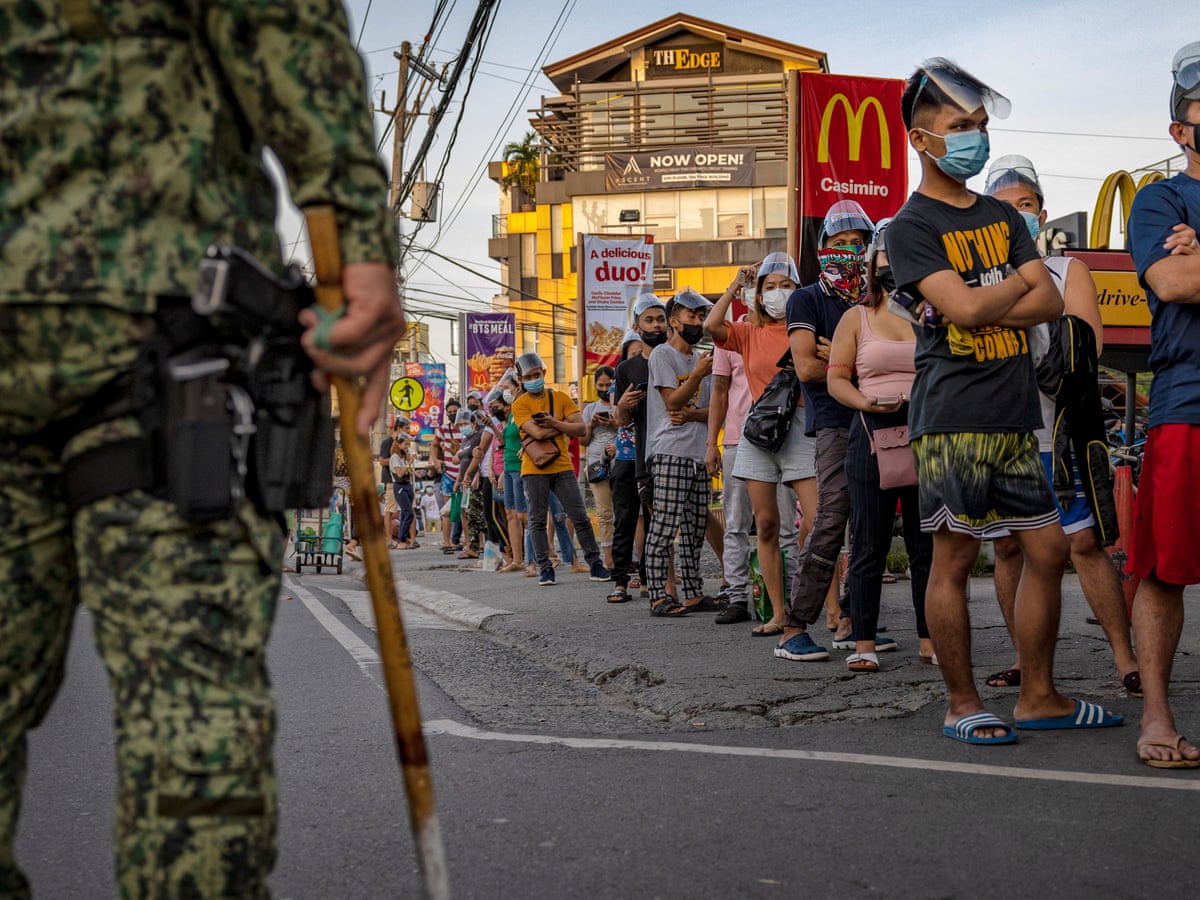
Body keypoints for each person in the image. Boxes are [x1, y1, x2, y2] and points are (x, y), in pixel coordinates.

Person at [0, 3, 407, 895]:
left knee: (194, 741)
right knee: (194, 743)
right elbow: (287, 36)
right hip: (161, 316)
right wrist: (362, 247)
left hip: (164, 348)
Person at [887, 58, 1121, 744]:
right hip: (952, 418)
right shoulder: (910, 226)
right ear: (921, 138)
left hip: (1017, 415)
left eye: (982, 126)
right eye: (961, 126)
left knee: (1048, 551)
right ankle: (962, 703)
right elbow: (961, 308)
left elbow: (1048, 297)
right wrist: (995, 297)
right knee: (955, 556)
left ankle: (1039, 695)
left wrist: (979, 306)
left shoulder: (1000, 215)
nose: (976, 139)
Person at [981, 154, 1141, 695]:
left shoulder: (1066, 270)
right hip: (1000, 439)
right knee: (1007, 550)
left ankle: (1126, 658)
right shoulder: (971, 279)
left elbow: (1087, 345)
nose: (1017, 216)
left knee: (1083, 545)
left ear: (1042, 214)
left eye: (1026, 206)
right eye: (1004, 209)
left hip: (1056, 434)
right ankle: (1027, 662)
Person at [1125, 42, 1200, 768]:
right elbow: (1174, 286)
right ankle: (1157, 716)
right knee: (1163, 569)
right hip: (1188, 405)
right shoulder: (1160, 200)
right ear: (1179, 127)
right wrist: (1186, 262)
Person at [826, 219, 934, 672]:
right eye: (886, 255)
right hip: (871, 432)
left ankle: (932, 640)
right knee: (869, 543)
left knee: (925, 545)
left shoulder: (933, 313)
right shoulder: (858, 316)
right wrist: (866, 400)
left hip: (928, 432)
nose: (893, 264)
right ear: (873, 262)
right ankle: (864, 642)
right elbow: (835, 378)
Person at [776, 201, 876, 661]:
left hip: (880, 419)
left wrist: (837, 355)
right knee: (831, 520)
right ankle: (794, 626)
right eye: (842, 244)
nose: (852, 251)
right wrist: (858, 362)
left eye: (860, 243)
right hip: (836, 422)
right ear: (823, 249)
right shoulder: (807, 298)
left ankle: (856, 623)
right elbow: (808, 367)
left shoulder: (874, 298)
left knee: (873, 526)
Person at [704, 255, 809, 634]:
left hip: (800, 429)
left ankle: (811, 602)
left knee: (810, 523)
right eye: (770, 287)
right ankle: (777, 612)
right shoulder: (747, 330)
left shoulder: (806, 326)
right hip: (757, 433)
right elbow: (711, 325)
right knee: (763, 524)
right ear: (759, 295)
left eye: (785, 286)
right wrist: (736, 285)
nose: (778, 293)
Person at [643, 288, 719, 617]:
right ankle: (658, 594)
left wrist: (691, 414)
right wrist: (698, 377)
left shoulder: (702, 359)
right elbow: (671, 402)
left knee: (693, 528)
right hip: (670, 450)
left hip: (698, 452)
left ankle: (693, 593)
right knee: (665, 524)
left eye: (702, 316)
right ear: (674, 321)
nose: (698, 322)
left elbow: (713, 410)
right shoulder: (663, 355)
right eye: (692, 316)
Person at [510, 353, 611, 586]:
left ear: (543, 373)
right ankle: (546, 568)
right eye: (528, 377)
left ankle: (595, 564)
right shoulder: (520, 404)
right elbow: (537, 434)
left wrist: (554, 423)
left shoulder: (562, 398)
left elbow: (581, 430)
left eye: (537, 375)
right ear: (521, 380)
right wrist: (564, 426)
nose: (534, 379)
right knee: (536, 520)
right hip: (534, 468)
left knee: (579, 516)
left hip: (562, 465)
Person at [610, 299, 673, 603]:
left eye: (660, 319)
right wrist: (622, 406)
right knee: (627, 518)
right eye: (649, 321)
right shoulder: (627, 368)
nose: (657, 326)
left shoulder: (677, 357)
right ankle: (621, 582)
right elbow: (623, 420)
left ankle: (656, 584)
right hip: (640, 455)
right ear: (636, 327)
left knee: (660, 523)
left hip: (675, 450)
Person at [582, 366, 619, 571]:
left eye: (608, 384)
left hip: (620, 462)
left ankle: (625, 554)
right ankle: (608, 558)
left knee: (623, 512)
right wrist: (591, 426)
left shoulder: (620, 406)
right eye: (601, 385)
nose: (604, 388)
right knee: (604, 512)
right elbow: (583, 441)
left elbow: (629, 432)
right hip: (597, 465)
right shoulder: (589, 409)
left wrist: (614, 424)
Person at [432, 397, 464, 552]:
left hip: (464, 474)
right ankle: (447, 542)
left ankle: (465, 542)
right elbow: (434, 444)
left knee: (464, 509)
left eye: (455, 412)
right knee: (447, 509)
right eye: (449, 412)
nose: (452, 414)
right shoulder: (444, 429)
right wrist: (436, 461)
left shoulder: (466, 427)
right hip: (449, 474)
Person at [390, 434, 418, 548]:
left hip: (407, 485)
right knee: (408, 513)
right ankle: (401, 539)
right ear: (399, 444)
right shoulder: (395, 457)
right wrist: (409, 462)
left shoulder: (402, 457)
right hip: (400, 485)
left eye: (408, 444)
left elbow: (407, 472)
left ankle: (403, 538)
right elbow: (400, 473)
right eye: (405, 444)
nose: (407, 447)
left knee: (406, 513)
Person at [380, 419, 399, 545]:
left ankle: (403, 538)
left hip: (402, 480)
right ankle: (389, 539)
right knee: (390, 511)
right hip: (390, 480)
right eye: (406, 428)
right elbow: (382, 460)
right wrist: (396, 461)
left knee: (402, 511)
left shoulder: (402, 443)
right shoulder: (388, 442)